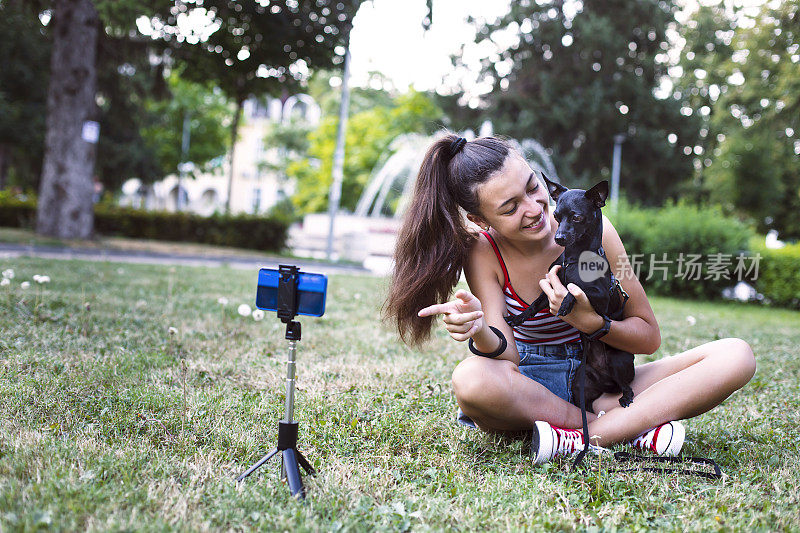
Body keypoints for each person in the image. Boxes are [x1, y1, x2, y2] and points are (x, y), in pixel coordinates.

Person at [383, 134, 756, 464]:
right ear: (482, 221)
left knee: (736, 355)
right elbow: (506, 354)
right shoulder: (484, 252)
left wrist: (592, 322)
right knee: (471, 380)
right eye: (510, 208)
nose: (534, 209)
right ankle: (626, 429)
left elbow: (647, 335)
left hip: (601, 380)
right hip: (533, 389)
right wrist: (479, 328)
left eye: (533, 187)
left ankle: (585, 436)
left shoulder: (594, 234)